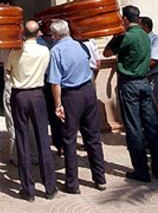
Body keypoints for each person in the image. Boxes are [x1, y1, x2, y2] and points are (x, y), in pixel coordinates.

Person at [48, 19, 106, 193]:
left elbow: (55, 82)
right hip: (88, 91)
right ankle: (100, 178)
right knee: (93, 137)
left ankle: (73, 183)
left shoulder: (56, 51)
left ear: (55, 35)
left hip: (71, 96)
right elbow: (93, 66)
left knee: (69, 139)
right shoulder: (82, 46)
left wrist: (58, 104)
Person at [104, 6, 158, 182]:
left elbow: (107, 52)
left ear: (125, 19)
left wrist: (115, 34)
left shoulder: (126, 37)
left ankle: (141, 170)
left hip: (130, 85)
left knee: (134, 127)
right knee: (151, 125)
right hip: (144, 83)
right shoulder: (145, 35)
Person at [6, 21, 57, 201]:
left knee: (22, 139)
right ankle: (50, 186)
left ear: (22, 32)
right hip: (37, 95)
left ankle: (28, 189)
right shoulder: (44, 51)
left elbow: (8, 70)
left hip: (20, 95)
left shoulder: (15, 52)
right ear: (38, 34)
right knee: (43, 138)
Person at [139, 16, 158, 109]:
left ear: (145, 26)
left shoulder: (155, 40)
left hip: (153, 77)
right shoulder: (140, 40)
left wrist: (138, 69)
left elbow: (153, 60)